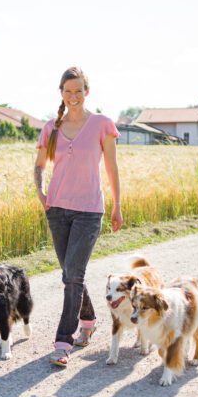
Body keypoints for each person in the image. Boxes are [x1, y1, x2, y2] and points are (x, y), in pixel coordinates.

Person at [34, 66, 123, 367]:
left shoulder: (102, 124)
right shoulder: (51, 128)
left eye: (79, 90)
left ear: (87, 92)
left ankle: (63, 342)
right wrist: (41, 193)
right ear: (61, 93)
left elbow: (112, 168)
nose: (73, 96)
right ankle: (88, 320)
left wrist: (117, 204)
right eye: (68, 91)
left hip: (89, 210)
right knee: (70, 273)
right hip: (57, 210)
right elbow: (38, 166)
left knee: (73, 274)